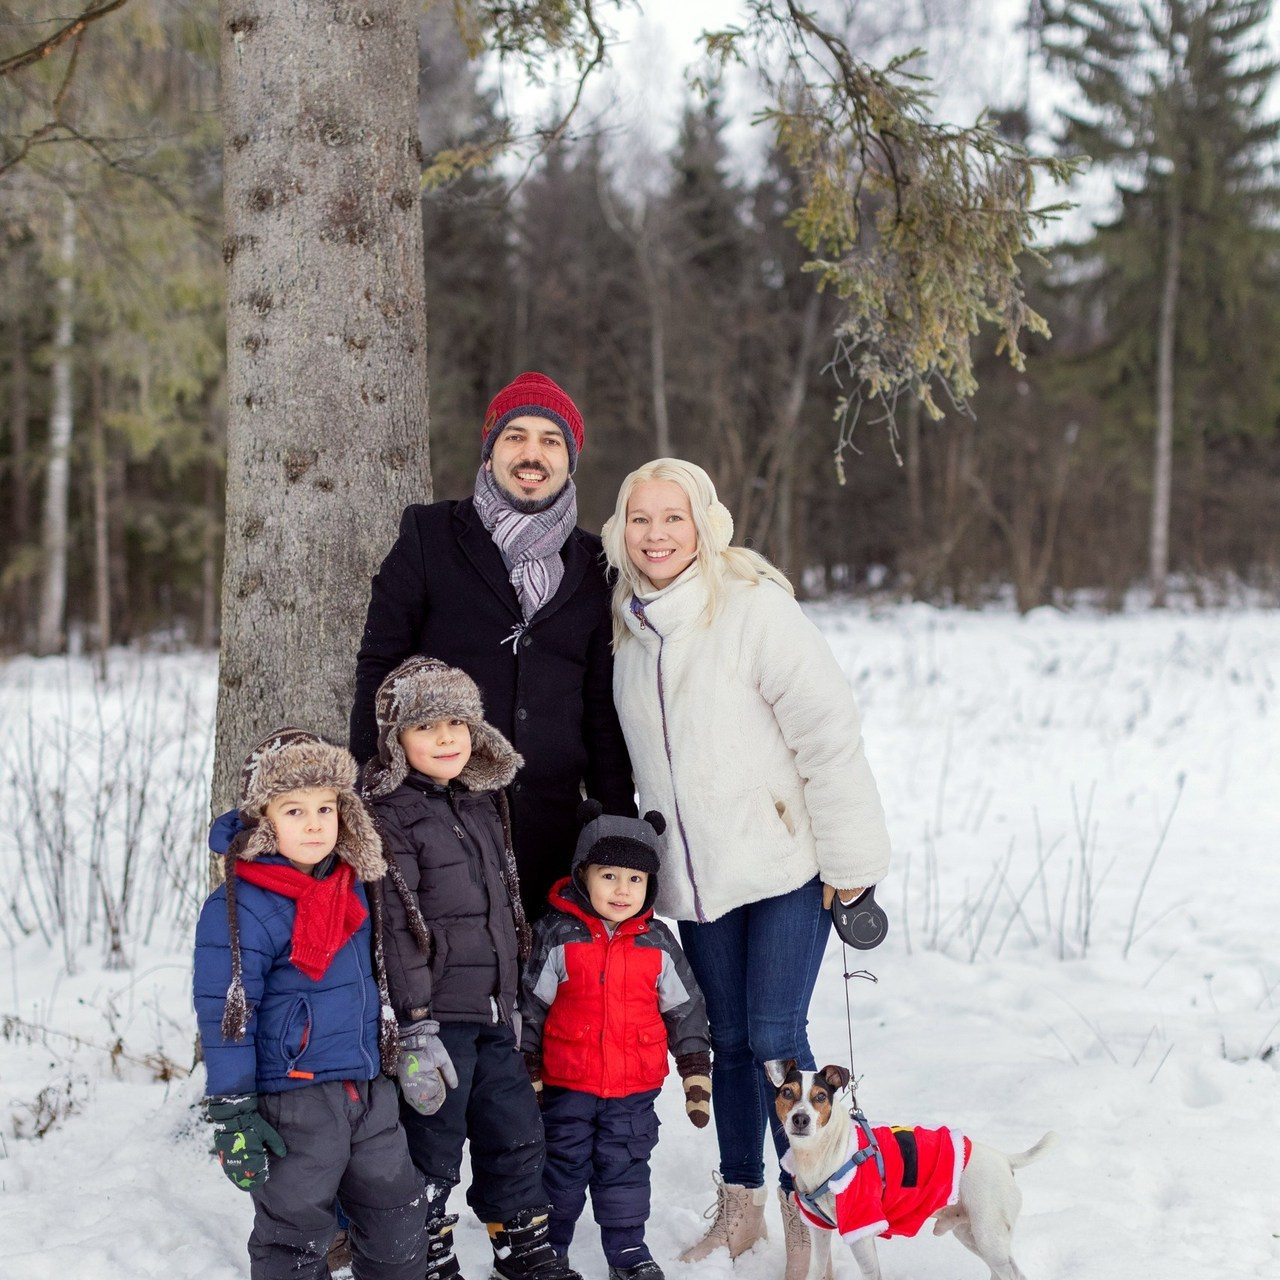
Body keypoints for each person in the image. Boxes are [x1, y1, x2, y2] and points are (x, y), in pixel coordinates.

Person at [600, 458, 893, 1280]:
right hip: (695, 880)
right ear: (621, 532)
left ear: (704, 524)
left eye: (674, 518)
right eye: (640, 519)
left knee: (771, 1035)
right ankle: (739, 1209)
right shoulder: (626, 625)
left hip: (786, 865)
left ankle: (812, 1215)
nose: (656, 534)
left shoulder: (754, 608)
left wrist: (852, 861)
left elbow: (828, 733)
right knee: (725, 1042)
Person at [350, 371, 635, 919]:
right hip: (443, 819)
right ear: (489, 454)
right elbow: (379, 665)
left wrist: (616, 823)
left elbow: (601, 708)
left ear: (569, 462)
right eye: (516, 436)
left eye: (551, 441)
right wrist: (372, 788)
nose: (533, 453)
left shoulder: (597, 563)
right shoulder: (429, 536)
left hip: (555, 828)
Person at [364, 655, 580, 1280]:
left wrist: (513, 1000)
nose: (446, 738)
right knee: (432, 1139)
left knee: (515, 1131)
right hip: (437, 1015)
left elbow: (507, 902)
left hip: (493, 1008)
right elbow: (398, 927)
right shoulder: (391, 813)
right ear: (396, 739)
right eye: (427, 726)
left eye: (457, 722)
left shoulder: (483, 803)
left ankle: (523, 1245)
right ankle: (427, 1248)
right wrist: (414, 1023)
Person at [192, 728, 430, 1280]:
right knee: (293, 1235)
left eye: (326, 807)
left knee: (399, 1218)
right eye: (294, 810)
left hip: (370, 1090)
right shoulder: (241, 906)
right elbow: (226, 1014)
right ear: (263, 819)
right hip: (293, 1100)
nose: (316, 823)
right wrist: (233, 1109)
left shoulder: (353, 886)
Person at [518, 802, 713, 1280]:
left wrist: (694, 1069)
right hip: (567, 1086)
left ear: (650, 885)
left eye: (635, 879)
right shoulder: (557, 934)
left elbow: (684, 1007)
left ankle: (627, 1251)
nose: (622, 890)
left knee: (624, 1169)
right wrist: (527, 1069)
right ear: (583, 875)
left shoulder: (658, 942)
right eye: (609, 877)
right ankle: (550, 1247)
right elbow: (530, 1006)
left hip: (632, 1090)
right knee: (560, 1169)